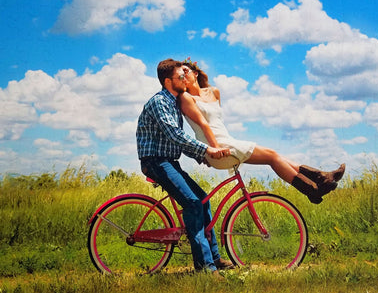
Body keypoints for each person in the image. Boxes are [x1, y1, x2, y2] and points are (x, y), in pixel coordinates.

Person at [179, 59, 345, 204]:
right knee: (272, 156)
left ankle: (319, 181)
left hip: (226, 141)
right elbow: (203, 125)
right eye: (179, 75)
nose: (182, 76)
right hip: (217, 148)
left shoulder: (214, 92)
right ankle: (315, 186)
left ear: (195, 73)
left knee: (274, 156)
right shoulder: (186, 98)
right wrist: (212, 150)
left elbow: (217, 123)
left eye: (185, 71)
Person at [136, 58, 233, 274]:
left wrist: (200, 156)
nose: (185, 79)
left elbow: (176, 140)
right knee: (193, 204)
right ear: (169, 80)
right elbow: (175, 135)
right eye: (181, 76)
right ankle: (205, 268)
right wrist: (207, 150)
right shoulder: (160, 102)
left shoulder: (173, 103)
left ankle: (214, 258)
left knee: (203, 201)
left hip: (169, 161)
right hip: (156, 161)